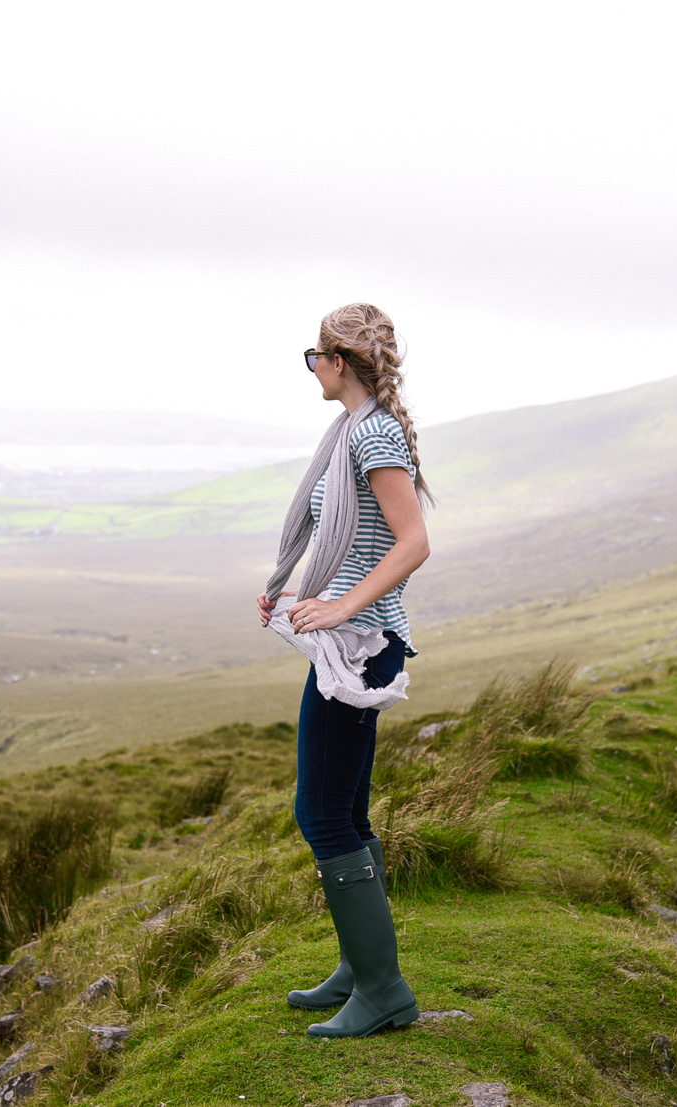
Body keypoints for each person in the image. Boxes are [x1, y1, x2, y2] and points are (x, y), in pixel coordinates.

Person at [256, 303, 432, 1039]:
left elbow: (413, 541)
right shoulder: (355, 432)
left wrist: (339, 608)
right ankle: (361, 970)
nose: (311, 368)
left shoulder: (376, 434)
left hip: (361, 643)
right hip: (352, 636)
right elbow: (356, 543)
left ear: (340, 358)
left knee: (320, 813)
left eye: (314, 355)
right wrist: (297, 593)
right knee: (346, 812)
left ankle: (384, 987)